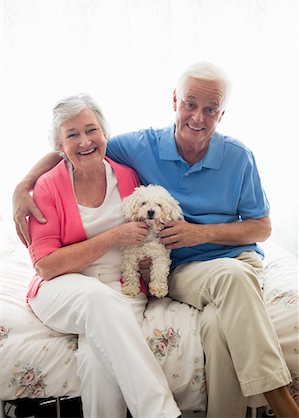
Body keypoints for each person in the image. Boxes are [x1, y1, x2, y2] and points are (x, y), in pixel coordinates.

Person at [13, 63, 299, 418]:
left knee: (216, 329)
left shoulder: (234, 158)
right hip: (181, 270)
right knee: (225, 281)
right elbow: (75, 148)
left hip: (227, 261)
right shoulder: (139, 148)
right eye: (190, 104)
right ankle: (279, 406)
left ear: (221, 114)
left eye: (210, 109)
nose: (198, 117)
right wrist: (22, 185)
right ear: (175, 101)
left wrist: (201, 233)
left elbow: (262, 227)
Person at [21, 94, 181, 418]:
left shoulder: (126, 175)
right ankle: (161, 413)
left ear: (105, 132)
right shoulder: (47, 187)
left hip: (122, 285)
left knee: (98, 361)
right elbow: (46, 265)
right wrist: (114, 237)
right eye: (72, 134)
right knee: (99, 299)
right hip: (62, 287)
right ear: (59, 145)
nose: (84, 141)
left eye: (91, 130)